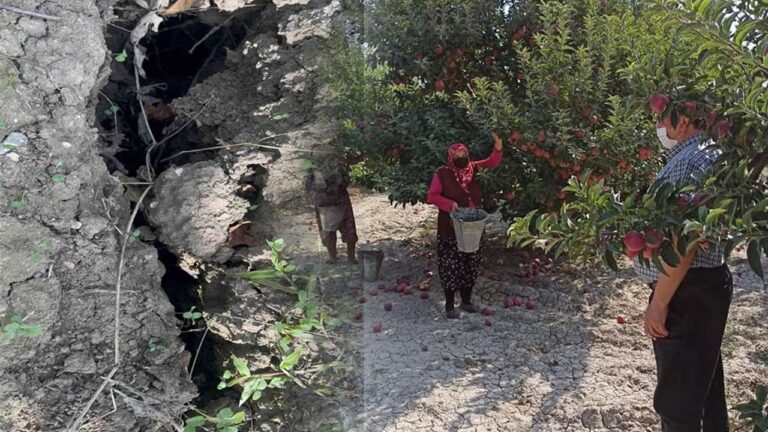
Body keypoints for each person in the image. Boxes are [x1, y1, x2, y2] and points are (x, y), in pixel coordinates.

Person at [636, 104, 730, 431]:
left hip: (685, 291)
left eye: (661, 118)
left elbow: (685, 240)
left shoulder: (691, 160)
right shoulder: (707, 154)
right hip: (700, 288)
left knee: (678, 405)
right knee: (705, 394)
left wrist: (659, 304)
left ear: (684, 120)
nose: (658, 125)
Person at [427, 132, 503, 319]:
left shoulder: (474, 168)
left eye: (463, 155)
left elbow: (492, 162)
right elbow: (432, 196)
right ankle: (450, 305)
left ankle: (467, 301)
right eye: (457, 156)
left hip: (473, 226)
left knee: (471, 263)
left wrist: (498, 147)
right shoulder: (442, 173)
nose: (461, 158)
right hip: (450, 227)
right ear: (451, 157)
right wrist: (448, 204)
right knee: (450, 265)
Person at [306, 166, 358, 264]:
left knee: (344, 228)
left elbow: (308, 184)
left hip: (335, 199)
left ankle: (341, 257)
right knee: (343, 228)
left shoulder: (315, 161)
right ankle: (341, 257)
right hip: (329, 200)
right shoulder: (316, 162)